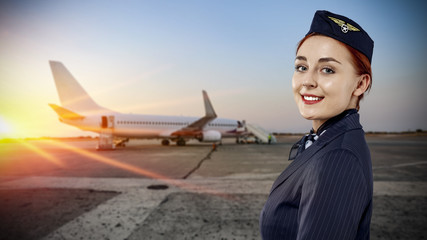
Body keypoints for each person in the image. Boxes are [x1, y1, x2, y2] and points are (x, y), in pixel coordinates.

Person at [260, 10, 374, 240]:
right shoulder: (326, 139)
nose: (307, 81)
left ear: (360, 84)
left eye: (327, 70)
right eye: (301, 67)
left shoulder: (338, 158)